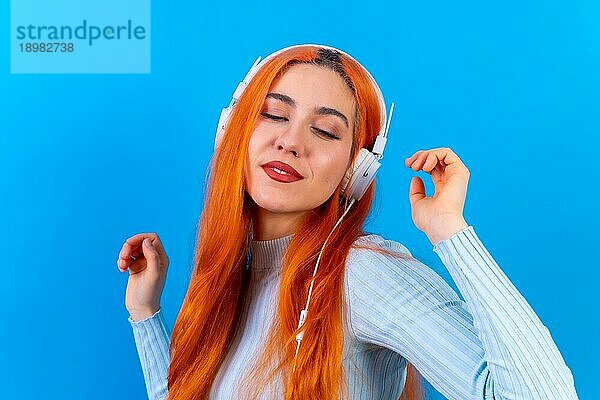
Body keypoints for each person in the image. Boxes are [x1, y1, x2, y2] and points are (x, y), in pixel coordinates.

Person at [116, 45, 578, 400]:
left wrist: (450, 232)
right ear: (233, 132)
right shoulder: (233, 278)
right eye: (275, 114)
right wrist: (145, 313)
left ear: (355, 171)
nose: (290, 141)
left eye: (325, 130)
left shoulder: (363, 275)